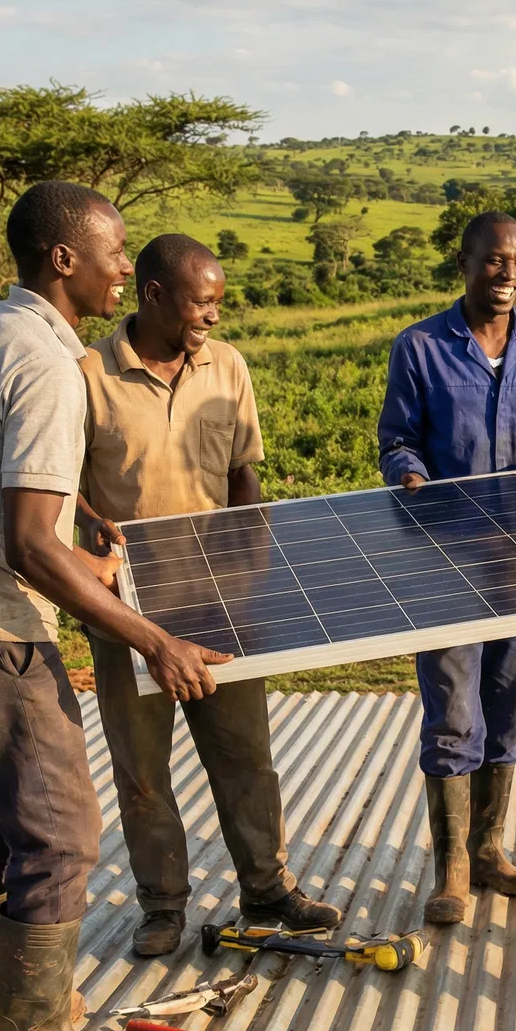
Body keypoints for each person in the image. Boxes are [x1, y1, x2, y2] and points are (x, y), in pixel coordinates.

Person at [0, 181, 230, 1031]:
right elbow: (28, 546)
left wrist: (82, 517)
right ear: (62, 259)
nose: (126, 268)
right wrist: (153, 638)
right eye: (114, 253)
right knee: (61, 833)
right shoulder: (49, 366)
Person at [73, 235, 343, 956]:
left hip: (221, 605)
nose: (213, 318)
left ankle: (268, 889)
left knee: (246, 759)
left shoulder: (228, 367)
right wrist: (91, 536)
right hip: (129, 614)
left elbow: (244, 472)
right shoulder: (89, 374)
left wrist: (250, 567)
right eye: (201, 302)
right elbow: (59, 489)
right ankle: (163, 907)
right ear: (154, 294)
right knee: (142, 771)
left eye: (218, 303)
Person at [377, 211, 516, 926]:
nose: (509, 275)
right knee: (451, 715)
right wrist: (407, 473)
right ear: (463, 264)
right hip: (447, 561)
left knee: (509, 705)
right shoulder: (420, 348)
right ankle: (452, 869)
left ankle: (492, 850)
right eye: (495, 262)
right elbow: (397, 440)